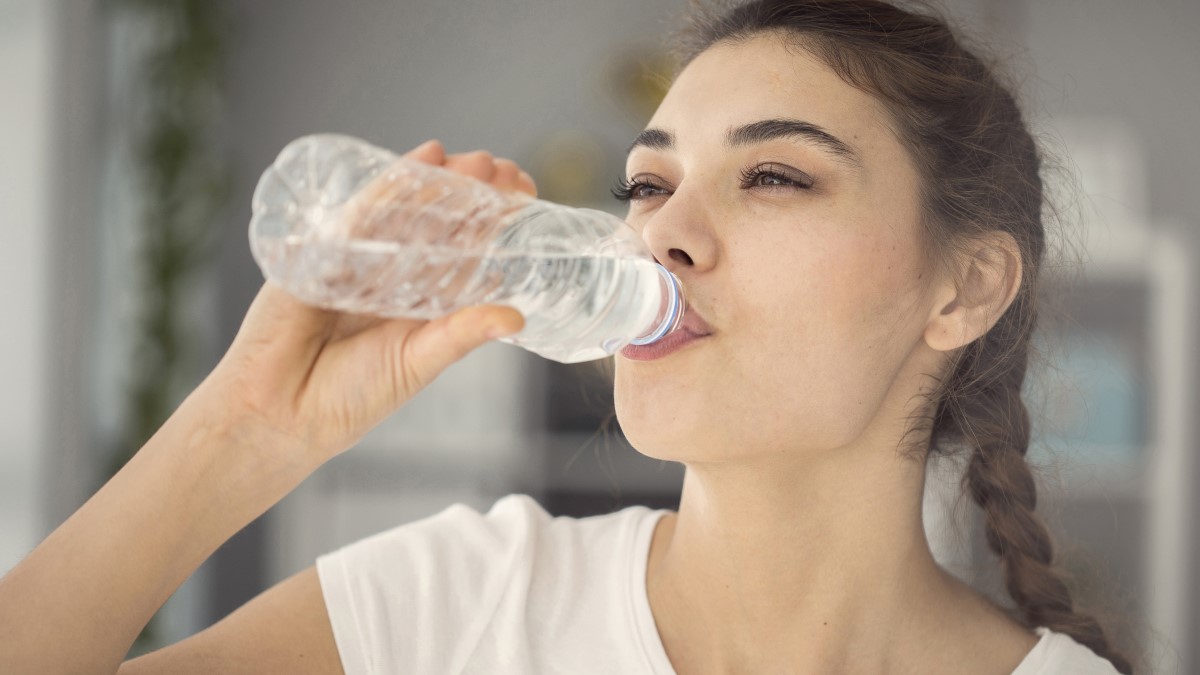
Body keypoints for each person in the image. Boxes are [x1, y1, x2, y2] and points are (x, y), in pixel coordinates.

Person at [0, 0, 1134, 673]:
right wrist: (239, 431)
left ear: (965, 286)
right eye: (648, 184)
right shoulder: (455, 604)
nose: (664, 234)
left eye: (775, 176)